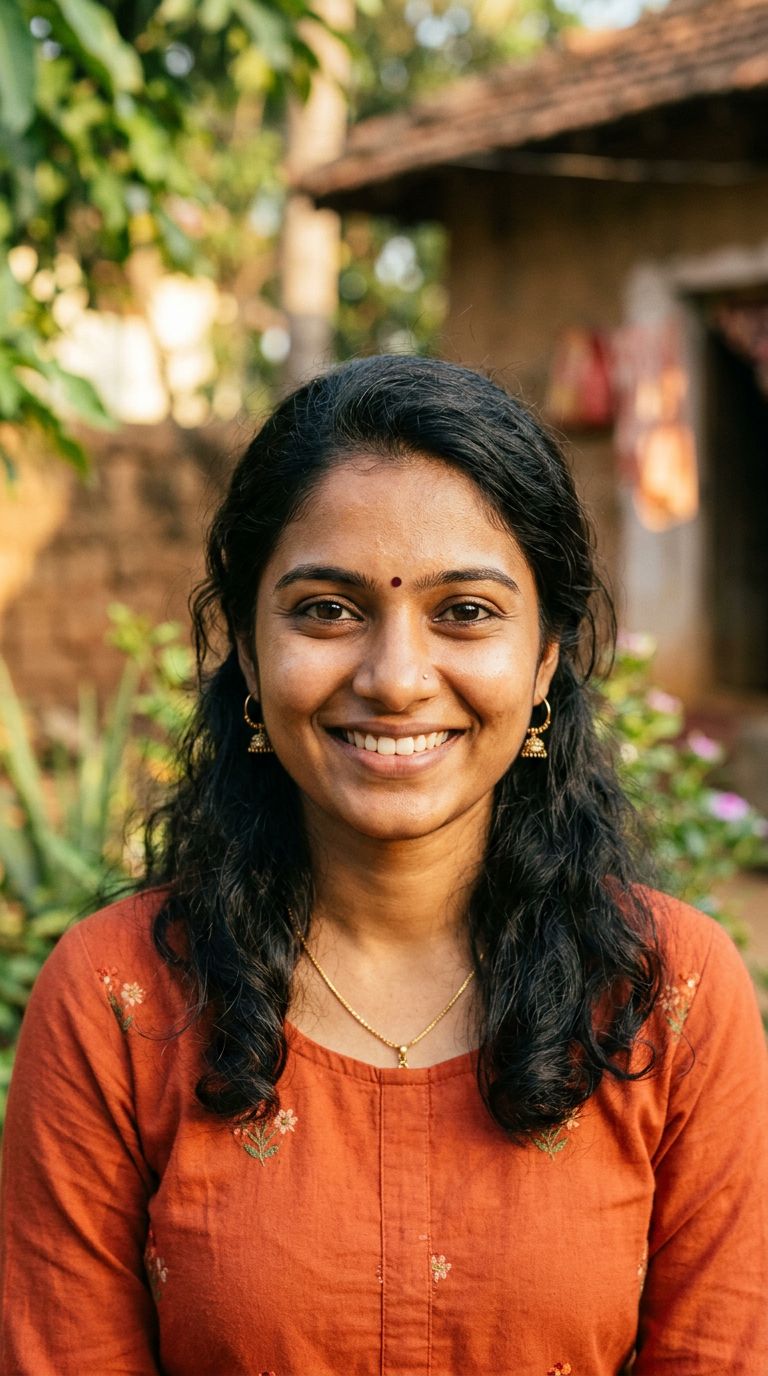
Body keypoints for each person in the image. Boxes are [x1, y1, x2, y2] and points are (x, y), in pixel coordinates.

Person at [1, 356, 766, 1376]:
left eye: (466, 611)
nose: (397, 679)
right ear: (250, 650)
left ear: (546, 657)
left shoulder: (668, 995)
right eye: (327, 609)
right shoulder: (118, 1001)